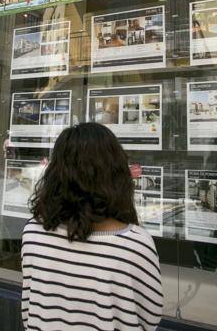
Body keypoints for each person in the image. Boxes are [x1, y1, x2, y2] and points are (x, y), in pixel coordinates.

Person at [21, 122, 163, 331]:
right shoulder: (135, 244)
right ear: (116, 172)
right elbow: (150, 318)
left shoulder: (33, 232)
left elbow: (29, 310)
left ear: (56, 172)